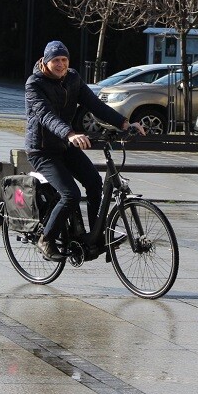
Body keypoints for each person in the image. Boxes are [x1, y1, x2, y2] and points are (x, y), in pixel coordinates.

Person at [25, 40, 143, 261]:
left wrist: (125, 124)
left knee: (94, 183)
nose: (61, 64)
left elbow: (95, 105)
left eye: (64, 59)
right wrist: (70, 134)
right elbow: (46, 116)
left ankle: (94, 236)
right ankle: (46, 238)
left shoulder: (73, 78)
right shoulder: (34, 84)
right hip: (41, 150)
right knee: (70, 194)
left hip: (64, 146)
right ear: (46, 62)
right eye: (56, 60)